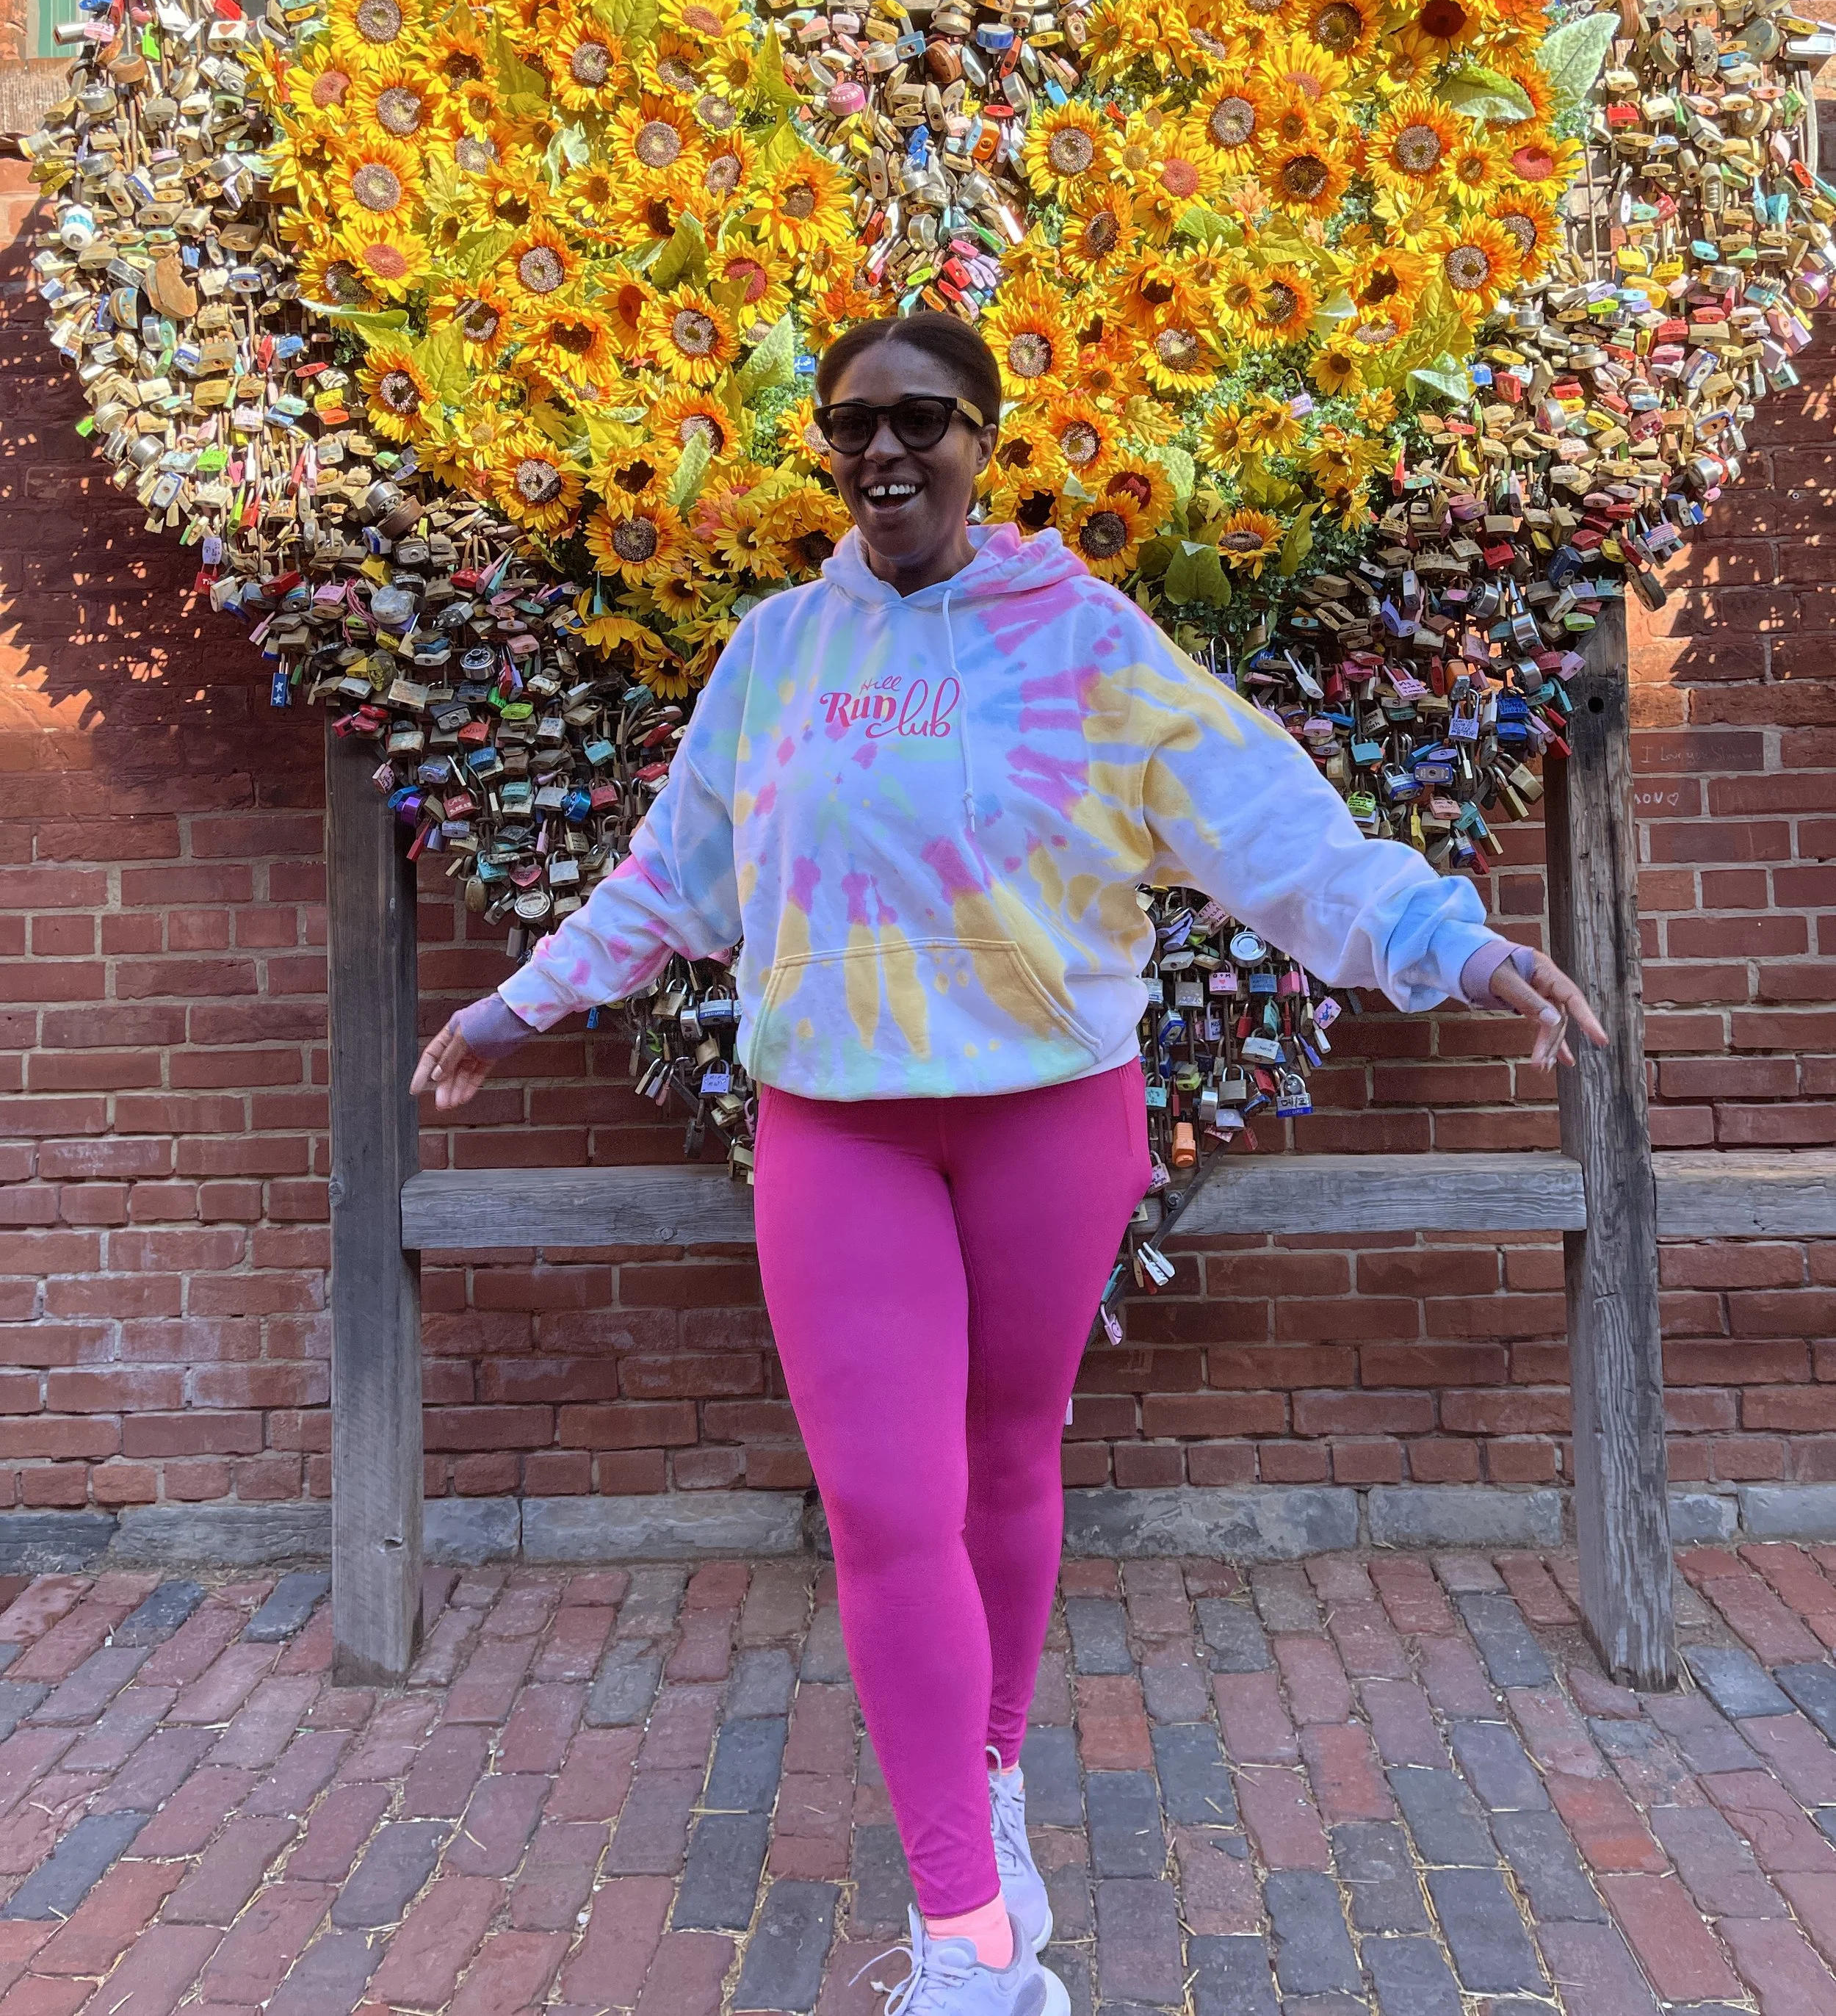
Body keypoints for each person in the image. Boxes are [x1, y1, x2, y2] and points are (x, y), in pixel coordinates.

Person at [412, 313, 1605, 2015]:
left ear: (985, 438)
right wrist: (518, 1006)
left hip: (1053, 1114)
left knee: (1003, 1459)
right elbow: (673, 879)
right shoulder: (773, 655)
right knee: (886, 1503)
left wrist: (1456, 946)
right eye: (850, 427)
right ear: (825, 449)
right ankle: (973, 1944)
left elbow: (1276, 836)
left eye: (921, 421)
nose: (883, 453)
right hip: (839, 1121)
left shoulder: (1088, 644)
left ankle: (985, 1767)